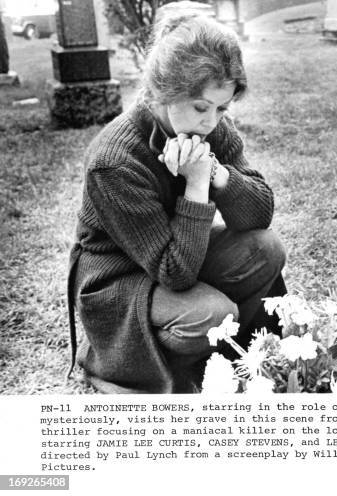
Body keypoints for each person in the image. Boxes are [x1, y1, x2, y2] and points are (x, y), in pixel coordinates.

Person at [67, 11, 286, 394]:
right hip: (121, 278)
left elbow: (259, 213)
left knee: (266, 248)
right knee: (214, 315)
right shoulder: (114, 161)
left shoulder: (211, 128)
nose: (212, 123)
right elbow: (175, 272)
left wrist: (216, 173)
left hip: (178, 252)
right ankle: (119, 366)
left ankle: (232, 359)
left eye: (222, 109)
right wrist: (197, 185)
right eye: (202, 107)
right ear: (164, 91)